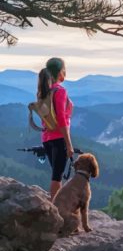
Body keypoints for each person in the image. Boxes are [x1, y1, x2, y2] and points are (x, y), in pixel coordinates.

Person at [37, 57, 74, 201]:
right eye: (64, 70)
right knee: (57, 176)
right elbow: (61, 119)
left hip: (46, 138)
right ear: (60, 72)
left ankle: (56, 206)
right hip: (59, 139)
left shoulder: (44, 91)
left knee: (56, 173)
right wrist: (69, 144)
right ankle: (55, 210)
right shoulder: (60, 91)